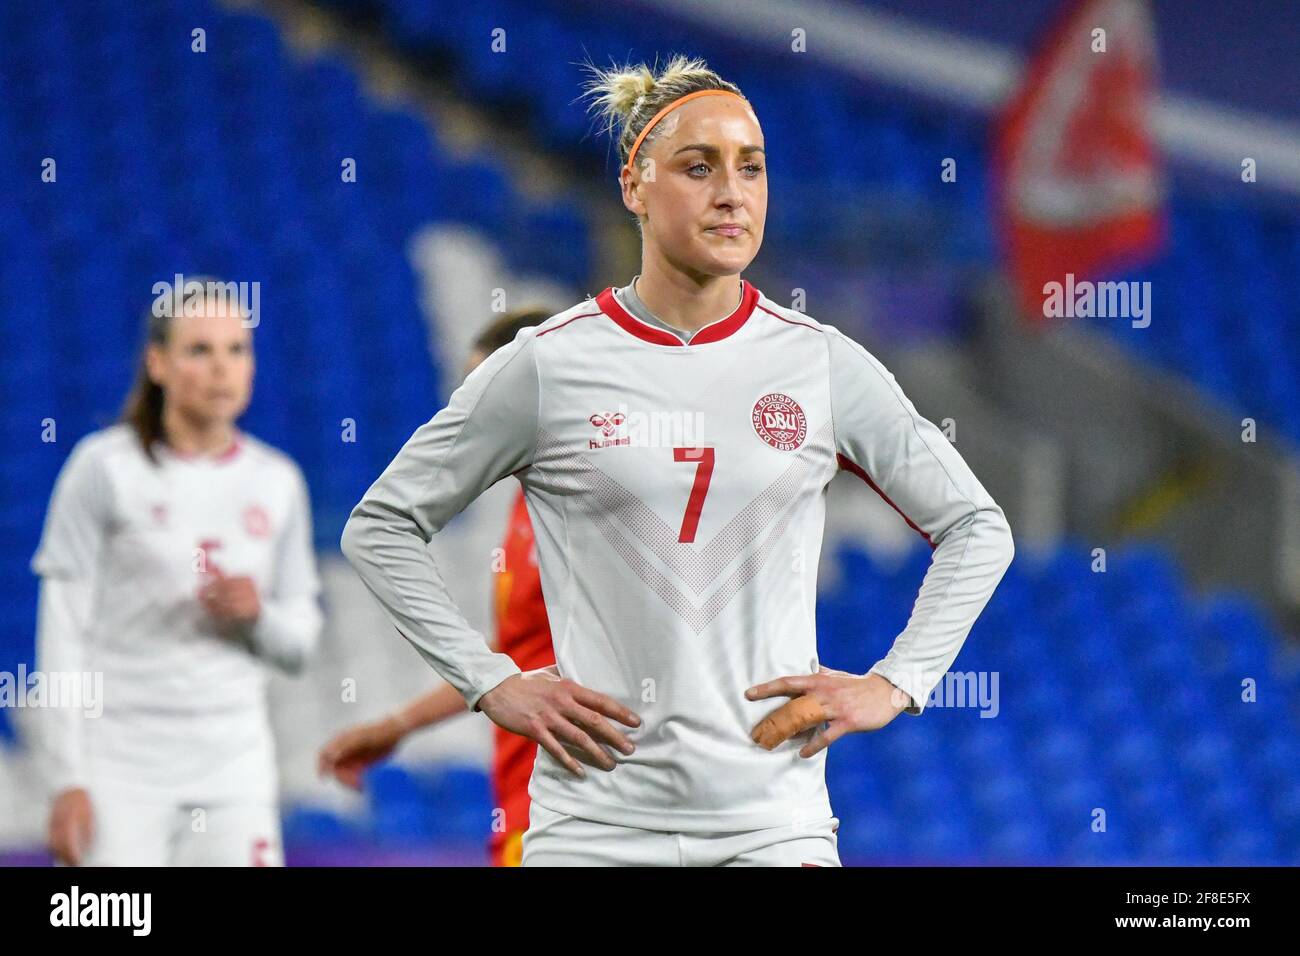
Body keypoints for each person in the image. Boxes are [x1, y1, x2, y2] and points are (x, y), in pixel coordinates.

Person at [340, 55, 1015, 867]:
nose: (732, 192)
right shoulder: (550, 364)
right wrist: (492, 682)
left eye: (751, 167)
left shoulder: (823, 365)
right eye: (699, 168)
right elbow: (380, 525)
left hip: (773, 825)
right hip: (591, 831)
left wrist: (897, 682)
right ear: (635, 184)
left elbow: (978, 526)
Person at [33, 278, 323, 866]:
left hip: (234, 766)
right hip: (121, 765)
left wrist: (258, 615)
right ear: (158, 363)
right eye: (200, 350)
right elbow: (61, 632)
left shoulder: (277, 480)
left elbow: (301, 643)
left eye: (237, 350)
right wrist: (66, 778)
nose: (222, 369)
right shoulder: (104, 468)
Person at [317, 308, 556, 868]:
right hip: (525, 801)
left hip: (575, 811)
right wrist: (399, 725)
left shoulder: (598, 514)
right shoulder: (525, 508)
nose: (469, 415)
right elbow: (515, 659)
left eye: (483, 391)